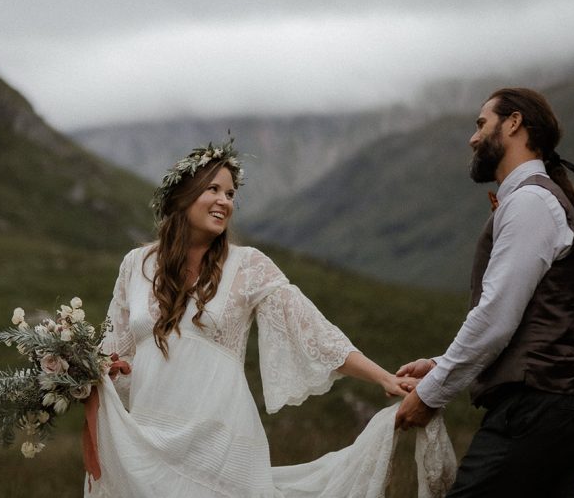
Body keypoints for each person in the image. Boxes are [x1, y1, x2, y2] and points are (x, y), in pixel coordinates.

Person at [88, 139, 455, 497]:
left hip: (219, 438)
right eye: (213, 189)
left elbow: (312, 330)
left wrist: (383, 377)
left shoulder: (248, 265)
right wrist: (81, 372)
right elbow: (114, 356)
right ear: (182, 196)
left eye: (231, 194)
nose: (224, 202)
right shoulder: (135, 265)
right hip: (151, 433)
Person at [395, 87, 574, 497]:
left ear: (514, 123)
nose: (473, 138)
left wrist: (432, 395)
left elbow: (496, 318)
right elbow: (520, 317)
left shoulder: (531, 203)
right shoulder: (533, 200)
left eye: (481, 123)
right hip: (558, 411)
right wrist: (439, 363)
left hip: (534, 413)